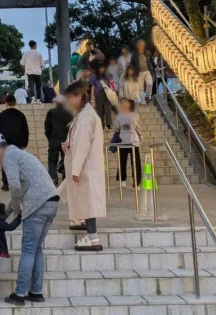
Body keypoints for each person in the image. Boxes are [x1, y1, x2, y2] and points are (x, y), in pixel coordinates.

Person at [0, 132, 59, 306]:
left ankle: (20, 293)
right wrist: (4, 215)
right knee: (36, 248)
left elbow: (15, 187)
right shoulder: (18, 154)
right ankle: (36, 292)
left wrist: (16, 211)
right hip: (51, 201)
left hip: (37, 204)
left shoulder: (8, 157)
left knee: (29, 249)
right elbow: (20, 190)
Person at [62, 82, 107, 251]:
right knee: (86, 200)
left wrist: (75, 170)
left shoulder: (85, 118)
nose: (69, 102)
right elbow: (78, 142)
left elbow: (82, 146)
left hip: (85, 166)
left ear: (80, 96)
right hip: (85, 165)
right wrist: (68, 146)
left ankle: (93, 238)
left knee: (88, 200)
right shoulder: (85, 115)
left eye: (70, 98)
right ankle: (89, 231)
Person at [0, 96, 29, 191]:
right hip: (18, 143)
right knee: (18, 163)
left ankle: (6, 184)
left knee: (5, 163)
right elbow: (25, 130)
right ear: (15, 103)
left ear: (6, 103)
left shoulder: (2, 115)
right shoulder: (21, 115)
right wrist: (25, 143)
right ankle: (18, 183)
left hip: (5, 143)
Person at [113, 98, 143, 189]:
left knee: (136, 163)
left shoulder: (135, 115)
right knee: (122, 162)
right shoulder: (118, 116)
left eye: (125, 102)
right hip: (123, 142)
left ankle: (136, 183)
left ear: (129, 104)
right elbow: (116, 128)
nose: (124, 104)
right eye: (122, 103)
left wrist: (141, 137)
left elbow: (138, 127)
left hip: (133, 142)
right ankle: (123, 180)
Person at [44, 93, 73, 184]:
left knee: (52, 161)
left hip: (54, 139)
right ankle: (66, 178)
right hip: (66, 140)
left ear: (56, 102)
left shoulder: (51, 112)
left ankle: (53, 179)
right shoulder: (70, 113)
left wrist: (49, 137)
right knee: (66, 160)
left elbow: (47, 127)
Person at [89, 63, 117, 129]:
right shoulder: (94, 76)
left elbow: (109, 85)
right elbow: (93, 86)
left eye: (103, 68)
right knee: (100, 109)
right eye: (100, 68)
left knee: (108, 108)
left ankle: (108, 124)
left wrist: (112, 92)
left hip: (106, 93)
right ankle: (101, 124)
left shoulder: (106, 76)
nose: (101, 69)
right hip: (99, 93)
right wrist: (92, 95)